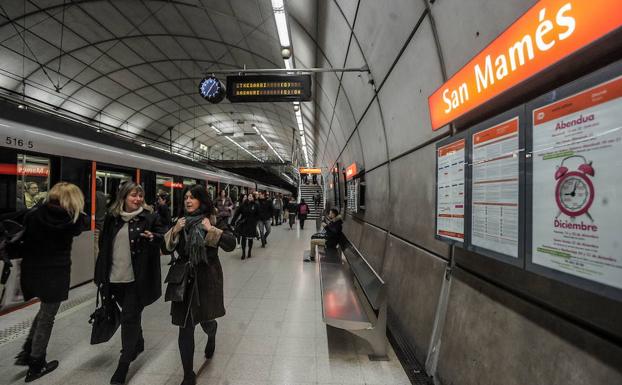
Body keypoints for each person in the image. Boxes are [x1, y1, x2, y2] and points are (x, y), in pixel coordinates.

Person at [163, 185, 235, 385]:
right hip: (184, 280)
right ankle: (188, 374)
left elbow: (231, 244)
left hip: (206, 278)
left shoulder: (213, 220)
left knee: (206, 321)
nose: (188, 201)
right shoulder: (180, 222)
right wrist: (175, 231)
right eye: (186, 197)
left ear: (201, 201)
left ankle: (212, 334)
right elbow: (164, 247)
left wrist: (211, 230)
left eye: (192, 197)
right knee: (185, 327)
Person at [94, 182, 165, 385]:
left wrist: (154, 237)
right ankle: (139, 342)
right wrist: (100, 277)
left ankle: (123, 364)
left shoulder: (149, 218)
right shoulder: (112, 218)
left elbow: (164, 236)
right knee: (129, 313)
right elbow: (104, 247)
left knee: (129, 318)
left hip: (137, 279)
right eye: (133, 196)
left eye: (140, 196)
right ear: (123, 198)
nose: (138, 199)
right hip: (115, 277)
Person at [15, 182, 87, 382]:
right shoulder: (72, 219)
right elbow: (81, 225)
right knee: (47, 317)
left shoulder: (35, 214)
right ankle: (36, 364)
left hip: (32, 271)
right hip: (55, 274)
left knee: (43, 312)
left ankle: (28, 351)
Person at [231, 193, 259, 259]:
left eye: (251, 196)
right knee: (243, 239)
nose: (250, 197)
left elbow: (258, 214)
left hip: (252, 224)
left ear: (253, 198)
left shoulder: (256, 205)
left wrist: (255, 220)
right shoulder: (243, 205)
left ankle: (249, 251)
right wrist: (232, 222)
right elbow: (237, 213)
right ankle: (243, 253)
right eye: (249, 196)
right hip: (244, 223)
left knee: (250, 239)